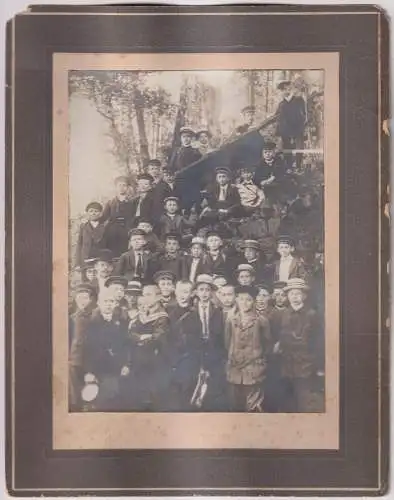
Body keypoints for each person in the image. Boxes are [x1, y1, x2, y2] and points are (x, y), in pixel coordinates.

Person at [274, 278, 324, 412]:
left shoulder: (312, 315)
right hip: (286, 365)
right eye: (291, 294)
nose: (294, 297)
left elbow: (318, 342)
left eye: (298, 294)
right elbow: (279, 337)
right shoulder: (283, 314)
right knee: (288, 402)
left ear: (304, 295)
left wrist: (318, 366)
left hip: (305, 365)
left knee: (304, 400)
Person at [77, 287, 130, 411]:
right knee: (100, 404)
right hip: (97, 370)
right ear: (99, 303)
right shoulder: (90, 323)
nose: (108, 304)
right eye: (105, 301)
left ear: (115, 304)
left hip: (117, 369)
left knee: (117, 402)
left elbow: (126, 345)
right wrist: (88, 372)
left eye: (111, 301)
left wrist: (126, 364)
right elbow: (85, 349)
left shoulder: (122, 322)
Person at [182, 274, 227, 411]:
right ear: (195, 292)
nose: (204, 293)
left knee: (212, 383)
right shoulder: (189, 312)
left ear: (212, 292)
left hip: (214, 351)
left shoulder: (218, 312)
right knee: (194, 381)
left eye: (207, 290)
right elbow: (187, 334)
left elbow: (221, 334)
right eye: (201, 290)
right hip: (196, 351)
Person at [225, 285, 271, 412]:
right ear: (236, 300)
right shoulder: (231, 320)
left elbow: (267, 345)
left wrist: (256, 357)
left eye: (248, 300)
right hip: (235, 368)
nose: (244, 303)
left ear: (254, 301)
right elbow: (227, 342)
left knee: (254, 406)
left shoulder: (262, 321)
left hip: (254, 369)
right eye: (241, 299)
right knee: (235, 405)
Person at [128, 284, 170, 410]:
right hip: (138, 361)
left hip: (155, 361)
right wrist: (140, 338)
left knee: (153, 397)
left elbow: (158, 337)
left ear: (158, 297)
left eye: (148, 294)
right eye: (144, 294)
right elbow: (129, 334)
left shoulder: (163, 317)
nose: (144, 297)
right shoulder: (141, 315)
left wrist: (142, 339)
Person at [275, 80, 307, 170]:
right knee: (287, 149)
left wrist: (303, 125)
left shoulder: (299, 100)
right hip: (285, 131)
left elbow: (304, 114)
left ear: (291, 89)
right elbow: (277, 118)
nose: (286, 91)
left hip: (297, 129)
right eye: (283, 89)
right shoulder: (281, 104)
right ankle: (289, 167)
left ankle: (298, 166)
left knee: (299, 148)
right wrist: (278, 131)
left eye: (287, 88)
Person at [101, 176, 134, 257]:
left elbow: (133, 217)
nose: (122, 188)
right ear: (116, 187)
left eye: (124, 185)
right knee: (112, 252)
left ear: (128, 187)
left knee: (124, 252)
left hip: (126, 230)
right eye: (119, 185)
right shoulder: (110, 202)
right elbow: (104, 217)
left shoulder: (132, 202)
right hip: (112, 231)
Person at [254, 140, 286, 207]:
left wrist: (273, 178)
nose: (267, 154)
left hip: (278, 187)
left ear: (274, 153)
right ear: (262, 154)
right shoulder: (260, 164)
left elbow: (280, 173)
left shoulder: (279, 162)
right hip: (265, 188)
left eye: (270, 152)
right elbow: (256, 177)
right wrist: (262, 182)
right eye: (265, 152)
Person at [75, 202, 106, 267]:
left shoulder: (105, 227)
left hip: (100, 261)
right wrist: (77, 263)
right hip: (85, 261)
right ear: (87, 213)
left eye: (96, 211)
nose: (93, 213)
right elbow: (79, 245)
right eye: (91, 211)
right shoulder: (83, 227)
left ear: (100, 213)